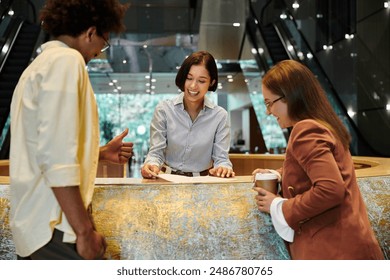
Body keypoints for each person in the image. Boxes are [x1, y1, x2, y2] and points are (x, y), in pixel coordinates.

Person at [9, 0, 133, 260]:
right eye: (104, 42)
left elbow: (42, 147)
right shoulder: (67, 61)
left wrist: (98, 153)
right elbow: (56, 158)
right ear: (90, 33)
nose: (99, 52)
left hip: (37, 227)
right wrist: (85, 232)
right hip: (54, 227)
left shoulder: (36, 67)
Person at [252, 60, 384, 260]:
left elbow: (330, 189)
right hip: (350, 246)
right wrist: (277, 174)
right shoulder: (324, 124)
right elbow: (316, 169)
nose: (268, 112)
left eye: (269, 103)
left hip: (332, 252)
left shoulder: (305, 129)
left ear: (290, 96)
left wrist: (278, 205)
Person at [141, 51, 235, 179]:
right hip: (166, 181)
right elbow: (156, 153)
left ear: (212, 82)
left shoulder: (220, 116)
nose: (193, 86)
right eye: (189, 78)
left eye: (201, 81)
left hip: (203, 184)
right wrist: (151, 164)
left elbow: (222, 159)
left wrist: (224, 168)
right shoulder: (164, 110)